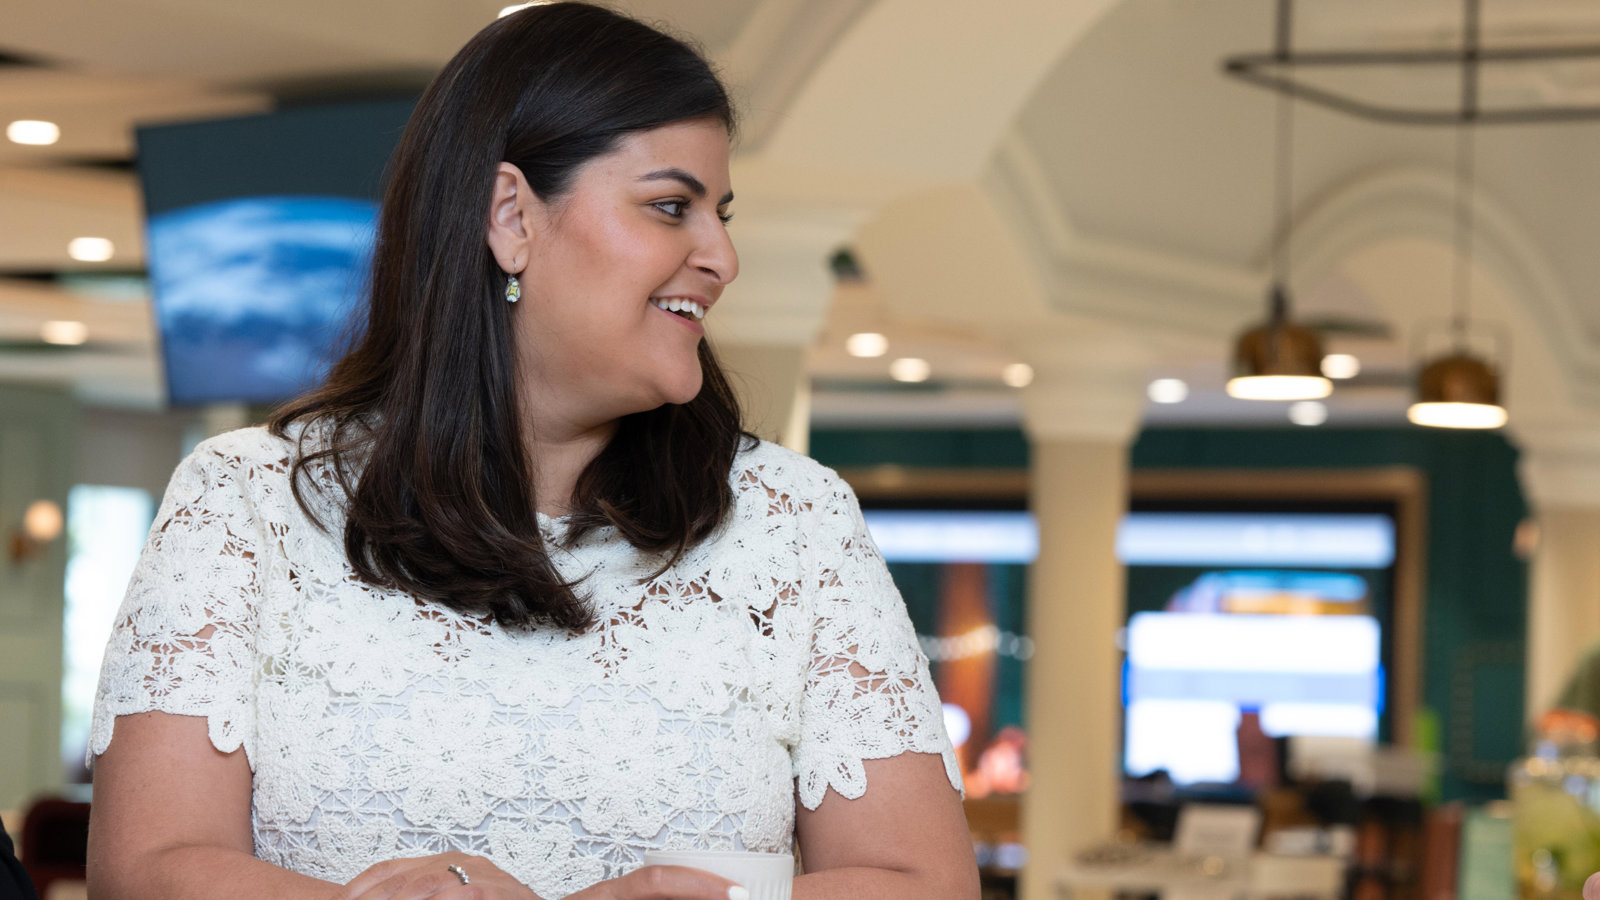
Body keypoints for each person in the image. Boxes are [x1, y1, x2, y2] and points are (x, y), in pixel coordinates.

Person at [84, 4, 977, 899]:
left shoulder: (796, 519)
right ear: (511, 215)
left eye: (721, 212)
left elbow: (925, 881)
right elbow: (146, 871)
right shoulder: (246, 500)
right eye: (672, 206)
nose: (723, 257)